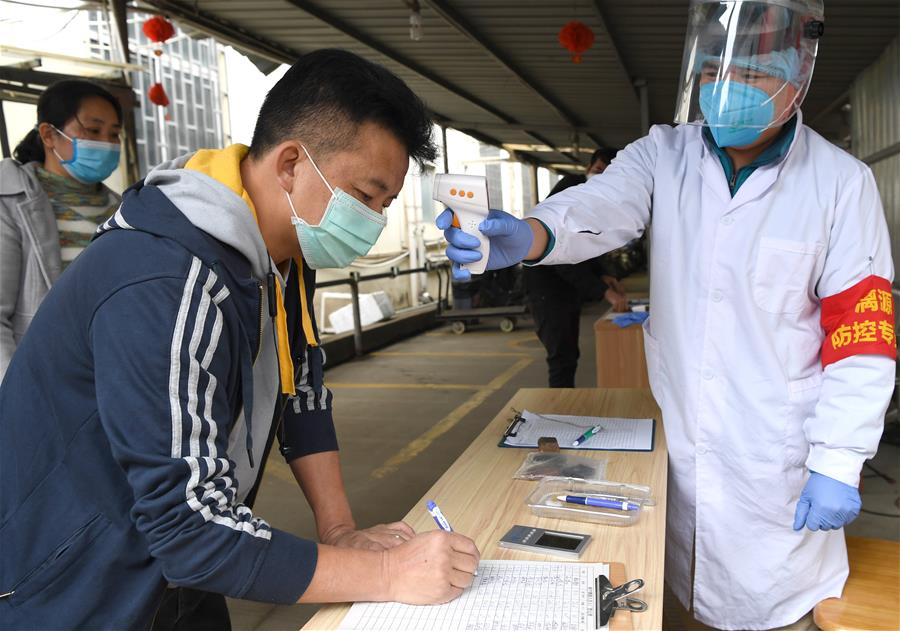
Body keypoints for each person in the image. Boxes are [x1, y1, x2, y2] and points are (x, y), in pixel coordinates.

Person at [439, 2, 893, 629]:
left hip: (777, 463)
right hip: (685, 447)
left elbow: (861, 338)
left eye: (752, 74)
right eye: (715, 71)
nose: (727, 88)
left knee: (782, 613)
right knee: (675, 596)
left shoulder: (841, 183)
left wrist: (839, 459)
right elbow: (601, 204)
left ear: (796, 80)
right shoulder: (665, 153)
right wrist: (531, 233)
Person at [0, 49, 479, 630]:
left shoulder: (285, 252)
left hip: (179, 572)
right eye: (364, 196)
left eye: (386, 205)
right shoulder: (167, 278)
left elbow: (301, 394)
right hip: (77, 586)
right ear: (291, 164)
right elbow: (188, 529)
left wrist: (340, 531)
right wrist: (387, 573)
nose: (373, 222)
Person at [0, 79, 123, 378]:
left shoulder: (124, 208)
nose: (106, 143)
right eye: (93, 130)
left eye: (114, 134)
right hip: (41, 378)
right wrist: (16, 391)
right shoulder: (11, 202)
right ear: (48, 135)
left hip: (110, 373)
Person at [523, 148, 628, 388]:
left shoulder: (596, 201)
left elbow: (587, 244)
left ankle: (565, 403)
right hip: (547, 287)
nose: (601, 178)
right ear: (588, 168)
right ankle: (560, 408)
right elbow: (564, 256)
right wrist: (604, 292)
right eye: (598, 170)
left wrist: (604, 275)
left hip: (566, 287)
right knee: (561, 356)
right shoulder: (571, 190)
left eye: (608, 174)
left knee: (569, 353)